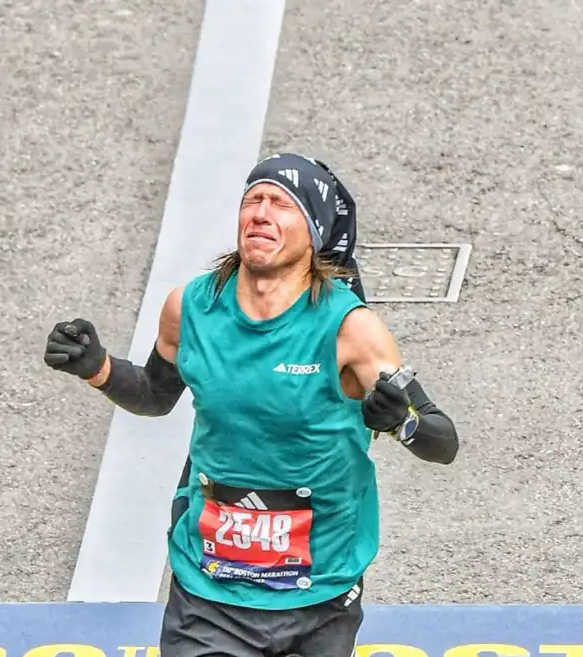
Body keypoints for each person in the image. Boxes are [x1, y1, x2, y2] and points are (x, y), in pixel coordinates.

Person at [44, 153, 460, 657]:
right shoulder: (190, 308)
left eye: (281, 204)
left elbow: (443, 441)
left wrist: (402, 423)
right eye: (253, 200)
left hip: (319, 594)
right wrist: (98, 368)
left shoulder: (350, 330)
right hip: (209, 595)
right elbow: (155, 395)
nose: (261, 213)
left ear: (314, 235)